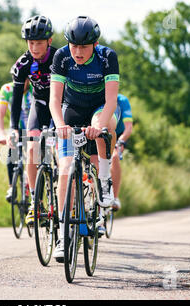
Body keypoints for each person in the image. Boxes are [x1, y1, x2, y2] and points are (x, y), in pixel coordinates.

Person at [49, 16, 120, 260]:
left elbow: (112, 101)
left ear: (95, 43)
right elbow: (54, 100)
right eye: (74, 46)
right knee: (66, 169)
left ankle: (103, 179)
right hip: (72, 108)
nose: (78, 52)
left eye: (84, 47)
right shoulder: (62, 57)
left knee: (103, 127)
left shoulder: (107, 57)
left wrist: (98, 125)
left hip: (100, 107)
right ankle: (62, 235)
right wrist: (60, 126)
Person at [8, 15, 57, 225]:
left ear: (49, 41)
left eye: (39, 43)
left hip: (61, 107)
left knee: (57, 147)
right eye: (30, 43)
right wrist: (13, 128)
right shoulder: (23, 64)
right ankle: (35, 205)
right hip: (40, 105)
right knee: (31, 149)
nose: (34, 47)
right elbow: (16, 98)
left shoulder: (60, 58)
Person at [0, 79, 32, 202]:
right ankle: (12, 186)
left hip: (34, 128)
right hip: (15, 129)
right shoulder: (7, 90)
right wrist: (1, 134)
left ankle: (31, 185)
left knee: (37, 156)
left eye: (25, 79)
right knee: (12, 151)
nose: (22, 83)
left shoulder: (35, 87)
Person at [110, 94, 133, 210]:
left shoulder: (122, 100)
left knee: (114, 157)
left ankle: (115, 197)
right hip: (99, 131)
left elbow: (128, 127)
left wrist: (120, 141)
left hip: (118, 135)